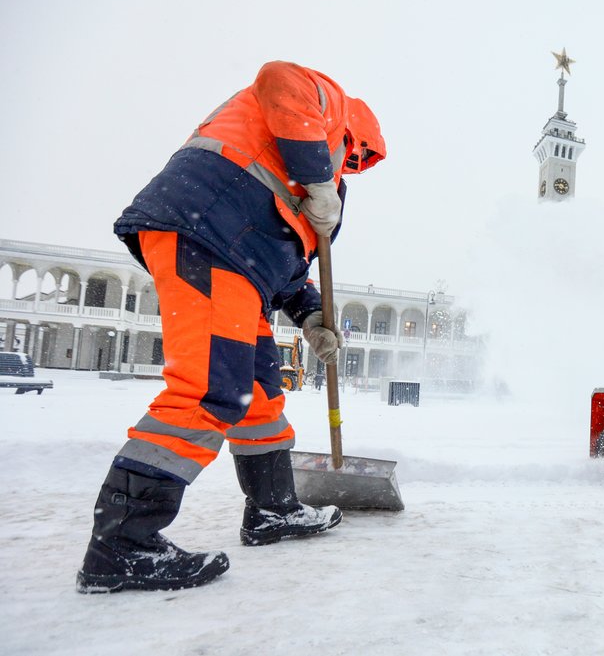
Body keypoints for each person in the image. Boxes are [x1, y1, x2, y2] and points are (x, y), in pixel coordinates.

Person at [76, 61, 386, 593]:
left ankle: (272, 511)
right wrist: (317, 177)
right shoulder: (325, 105)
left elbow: (287, 268)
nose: (351, 165)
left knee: (259, 392)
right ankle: (121, 545)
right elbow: (279, 78)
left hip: (240, 259)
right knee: (208, 390)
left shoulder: (317, 190)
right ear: (353, 128)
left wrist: (312, 316)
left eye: (359, 164)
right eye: (355, 153)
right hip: (209, 235)